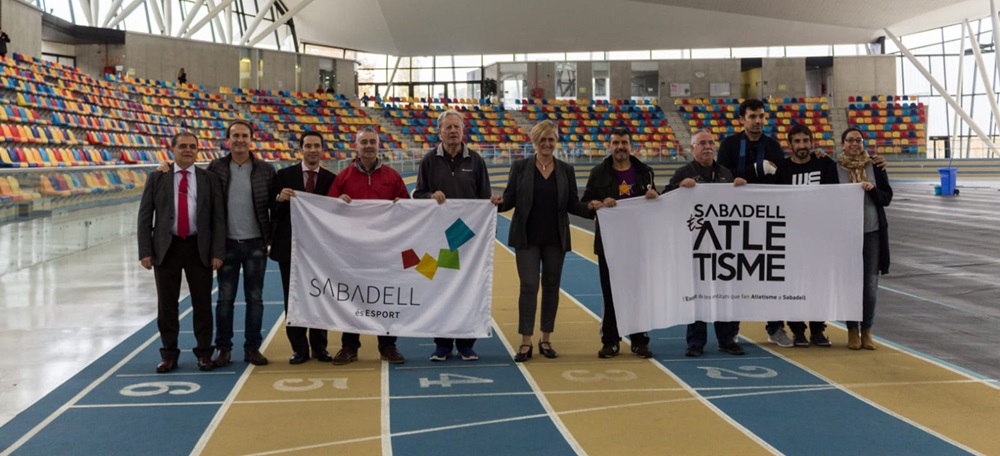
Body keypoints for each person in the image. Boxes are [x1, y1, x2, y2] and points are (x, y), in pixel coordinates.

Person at [491, 120, 592, 362]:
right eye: (543, 139)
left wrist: (593, 208)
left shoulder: (566, 170)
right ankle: (526, 341)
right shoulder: (520, 167)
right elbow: (511, 198)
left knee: (551, 287)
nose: (547, 144)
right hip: (526, 237)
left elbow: (572, 204)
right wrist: (497, 203)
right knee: (528, 286)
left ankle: (546, 338)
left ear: (556, 142)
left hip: (556, 238)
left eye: (551, 139)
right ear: (535, 141)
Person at [138, 132, 225, 373]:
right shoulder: (157, 177)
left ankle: (204, 353)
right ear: (172, 149)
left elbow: (218, 218)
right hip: (167, 248)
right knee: (167, 306)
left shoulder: (209, 179)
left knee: (203, 303)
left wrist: (217, 251)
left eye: (192, 147)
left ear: (198, 151)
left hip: (200, 248)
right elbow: (145, 216)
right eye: (183, 146)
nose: (188, 150)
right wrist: (145, 250)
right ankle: (169, 355)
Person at [413, 109, 494, 361]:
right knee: (440, 288)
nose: (452, 132)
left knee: (467, 288)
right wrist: (430, 196)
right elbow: (417, 195)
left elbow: (485, 199)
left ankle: (466, 342)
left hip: (467, 238)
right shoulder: (429, 160)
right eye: (447, 128)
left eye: (456, 127)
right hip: (438, 237)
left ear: (463, 130)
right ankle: (443, 344)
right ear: (439, 132)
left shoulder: (476, 161)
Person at [327, 127, 410, 365]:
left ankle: (388, 346)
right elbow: (329, 210)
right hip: (353, 251)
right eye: (364, 142)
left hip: (386, 250)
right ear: (356, 146)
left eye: (372, 142)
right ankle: (349, 346)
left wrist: (400, 204)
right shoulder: (342, 177)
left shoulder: (393, 176)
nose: (368, 146)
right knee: (353, 297)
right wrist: (338, 202)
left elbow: (408, 209)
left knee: (385, 297)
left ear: (378, 145)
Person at [663, 130, 747, 357]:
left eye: (710, 143)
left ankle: (727, 339)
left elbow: (739, 207)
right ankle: (696, 342)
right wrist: (678, 187)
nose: (708, 147)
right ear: (693, 148)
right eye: (702, 143)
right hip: (695, 244)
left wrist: (741, 188)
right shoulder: (684, 172)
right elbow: (665, 201)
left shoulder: (726, 174)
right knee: (697, 293)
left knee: (724, 292)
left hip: (723, 245)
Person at [715, 98, 791, 348]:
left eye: (761, 116)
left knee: (772, 273)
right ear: (742, 120)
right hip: (736, 218)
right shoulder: (729, 144)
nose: (758, 120)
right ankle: (731, 331)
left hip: (767, 217)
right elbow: (723, 176)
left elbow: (781, 175)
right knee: (736, 274)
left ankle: (776, 327)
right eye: (752, 116)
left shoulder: (772, 145)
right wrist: (757, 169)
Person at [581, 127, 659, 359]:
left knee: (639, 292)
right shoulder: (598, 172)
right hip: (610, 243)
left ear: (631, 145)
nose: (620, 147)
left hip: (639, 242)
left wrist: (655, 196)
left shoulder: (645, 172)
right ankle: (610, 341)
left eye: (624, 142)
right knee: (611, 293)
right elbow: (585, 202)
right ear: (609, 146)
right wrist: (598, 204)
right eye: (615, 143)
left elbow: (656, 204)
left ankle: (639, 340)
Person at [208, 121, 276, 366]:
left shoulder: (266, 170)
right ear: (228, 139)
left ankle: (252, 348)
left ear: (251, 139)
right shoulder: (215, 168)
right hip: (226, 245)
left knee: (255, 298)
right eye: (235, 135)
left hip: (256, 244)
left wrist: (270, 239)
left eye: (244, 136)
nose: (240, 140)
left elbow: (274, 206)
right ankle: (223, 349)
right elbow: (206, 204)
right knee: (225, 299)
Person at [271, 131, 336, 364]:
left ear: (322, 149)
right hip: (290, 249)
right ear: (301, 149)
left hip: (320, 251)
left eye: (317, 146)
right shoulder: (283, 175)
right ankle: (299, 348)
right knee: (294, 299)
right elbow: (272, 212)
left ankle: (320, 347)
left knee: (320, 297)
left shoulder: (331, 179)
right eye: (308, 146)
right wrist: (279, 199)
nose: (312, 150)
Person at [774, 124, 839, 347]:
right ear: (790, 144)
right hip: (790, 237)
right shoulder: (781, 169)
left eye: (805, 141)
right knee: (793, 284)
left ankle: (818, 329)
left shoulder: (825, 164)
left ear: (812, 142)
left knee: (818, 284)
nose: (802, 146)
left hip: (820, 237)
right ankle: (798, 330)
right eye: (797, 142)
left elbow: (839, 194)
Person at [837, 127, 892, 350]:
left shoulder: (876, 166)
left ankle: (867, 329)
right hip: (845, 235)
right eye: (850, 140)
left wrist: (871, 190)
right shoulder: (834, 169)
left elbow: (886, 198)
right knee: (850, 283)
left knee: (870, 284)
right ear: (842, 144)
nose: (854, 144)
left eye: (858, 140)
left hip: (872, 232)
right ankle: (852, 329)